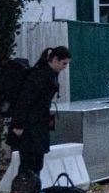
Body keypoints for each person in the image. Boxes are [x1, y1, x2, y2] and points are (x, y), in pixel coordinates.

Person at [8, 46, 71, 175]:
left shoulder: (48, 75)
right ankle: (24, 190)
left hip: (38, 123)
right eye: (63, 63)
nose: (65, 67)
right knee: (29, 161)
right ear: (55, 60)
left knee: (36, 161)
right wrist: (18, 124)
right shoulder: (39, 75)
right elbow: (24, 100)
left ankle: (30, 189)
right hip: (29, 124)